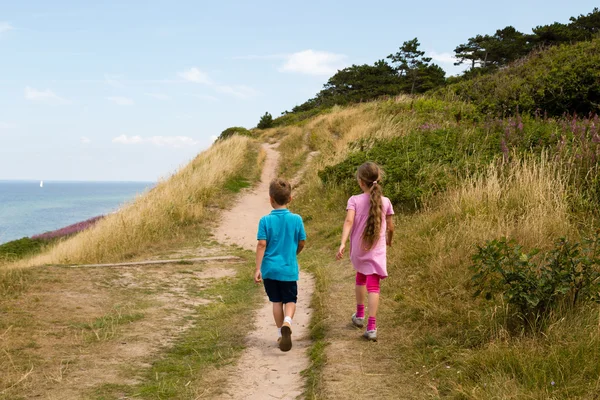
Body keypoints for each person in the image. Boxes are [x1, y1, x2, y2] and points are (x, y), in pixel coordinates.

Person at [336, 162, 394, 341]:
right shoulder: (385, 202)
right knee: (374, 286)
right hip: (376, 251)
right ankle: (371, 326)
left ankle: (359, 316)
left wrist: (342, 243)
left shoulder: (354, 200)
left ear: (361, 182)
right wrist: (389, 241)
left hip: (358, 250)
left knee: (360, 276)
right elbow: (391, 228)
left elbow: (348, 222)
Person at [254, 178, 306, 351]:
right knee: (290, 300)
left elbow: (261, 244)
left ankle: (279, 333)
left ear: (270, 198)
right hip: (288, 269)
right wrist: (294, 253)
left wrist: (258, 268)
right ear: (290, 198)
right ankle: (288, 322)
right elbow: (302, 242)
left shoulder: (265, 221)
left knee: (276, 302)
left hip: (270, 269)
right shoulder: (297, 219)